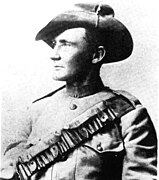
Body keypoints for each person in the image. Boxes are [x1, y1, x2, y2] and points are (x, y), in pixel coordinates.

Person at [0, 2, 157, 180]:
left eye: (66, 45)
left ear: (97, 55)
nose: (54, 54)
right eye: (55, 44)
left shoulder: (128, 116)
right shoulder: (34, 113)